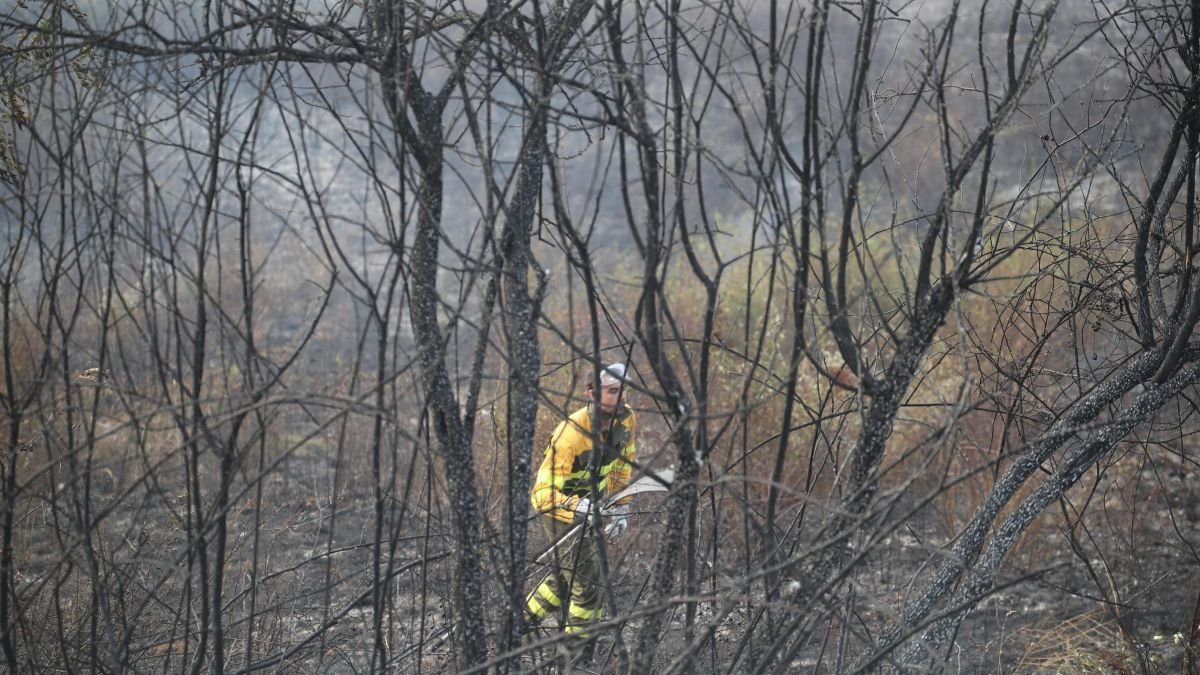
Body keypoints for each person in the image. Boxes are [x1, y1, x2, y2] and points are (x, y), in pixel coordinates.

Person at [524, 362, 637, 656]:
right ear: (592, 393)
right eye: (613, 391)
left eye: (624, 389)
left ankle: (516, 628)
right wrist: (579, 506)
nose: (622, 396)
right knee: (588, 586)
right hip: (559, 512)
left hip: (592, 509)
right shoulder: (570, 434)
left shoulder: (627, 421)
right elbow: (542, 496)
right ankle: (575, 658)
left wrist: (621, 507)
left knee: (564, 580)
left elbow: (623, 467)